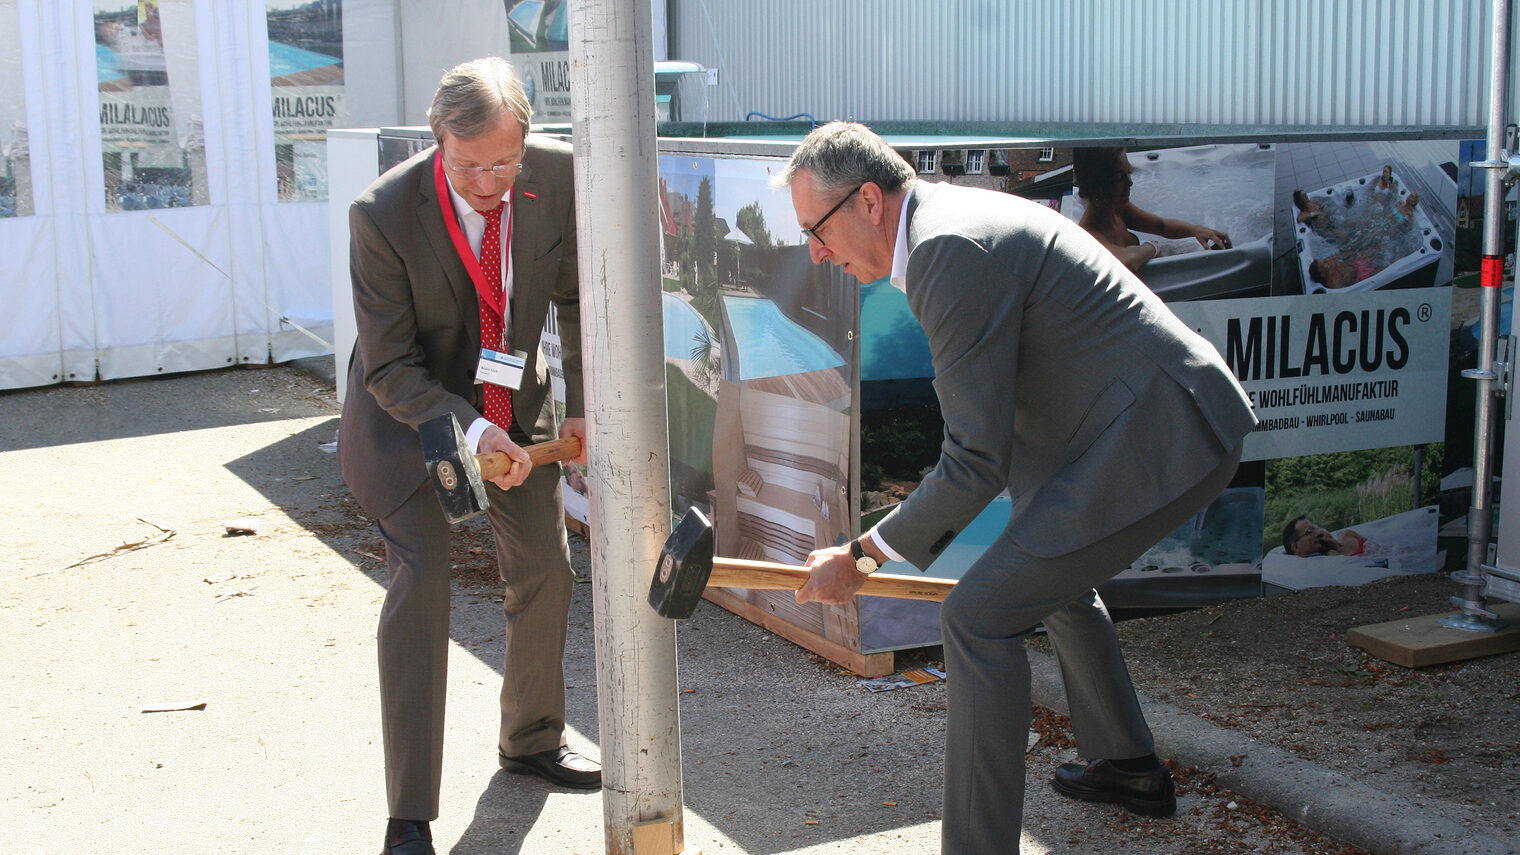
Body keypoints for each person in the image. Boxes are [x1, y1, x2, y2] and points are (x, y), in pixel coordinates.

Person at [773, 123, 1256, 855]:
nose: (815, 250)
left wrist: (862, 554)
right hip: (1142, 426)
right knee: (1045, 580)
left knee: (978, 615)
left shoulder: (946, 250)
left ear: (868, 200)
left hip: (1167, 434)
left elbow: (973, 459)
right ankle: (1127, 764)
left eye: (816, 228)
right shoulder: (946, 228)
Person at [337, 57, 596, 855]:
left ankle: (531, 738)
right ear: (435, 136)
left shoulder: (556, 176)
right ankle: (408, 811)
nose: (488, 181)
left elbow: (583, 296)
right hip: (410, 418)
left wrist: (584, 402)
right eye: (468, 164)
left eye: (504, 162)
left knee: (547, 570)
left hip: (514, 409)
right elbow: (388, 365)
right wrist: (470, 435)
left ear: (528, 138)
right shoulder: (382, 212)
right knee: (424, 584)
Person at [1071, 146, 1232, 273]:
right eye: (1119, 178)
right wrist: (1155, 246)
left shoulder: (1117, 210)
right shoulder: (1088, 237)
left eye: (1129, 173)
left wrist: (1197, 230)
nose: (1130, 183)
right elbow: (1130, 261)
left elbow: (1161, 226)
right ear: (1096, 185)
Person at [1282, 516, 1370, 557]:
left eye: (1316, 527)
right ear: (1297, 547)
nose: (1318, 533)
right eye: (1310, 532)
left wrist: (1337, 546)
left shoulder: (1348, 535)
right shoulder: (1331, 557)